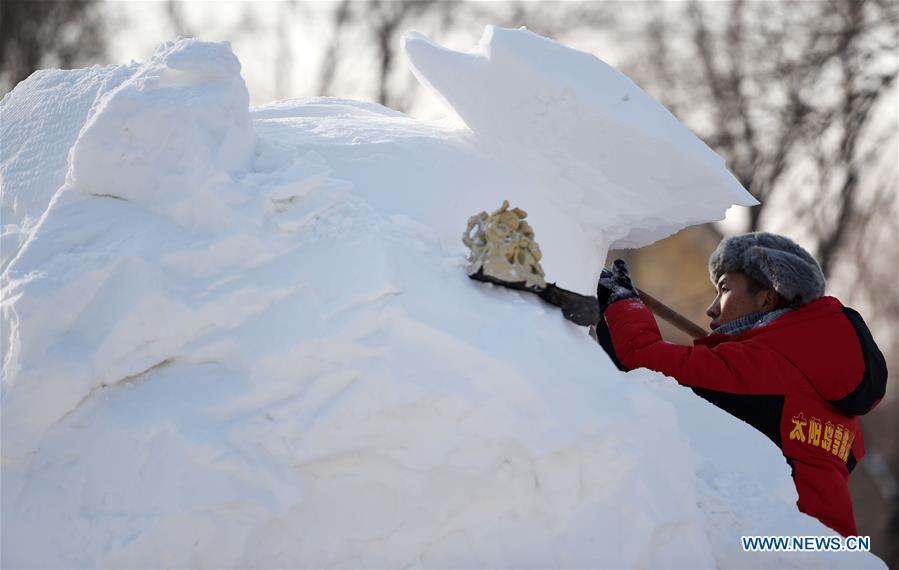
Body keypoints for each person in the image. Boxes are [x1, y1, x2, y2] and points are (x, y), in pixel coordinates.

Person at [596, 232, 888, 537]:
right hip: (838, 553)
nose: (711, 308)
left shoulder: (760, 367)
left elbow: (641, 360)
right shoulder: (839, 407)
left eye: (723, 289)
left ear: (767, 298)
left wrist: (622, 303)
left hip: (783, 552)